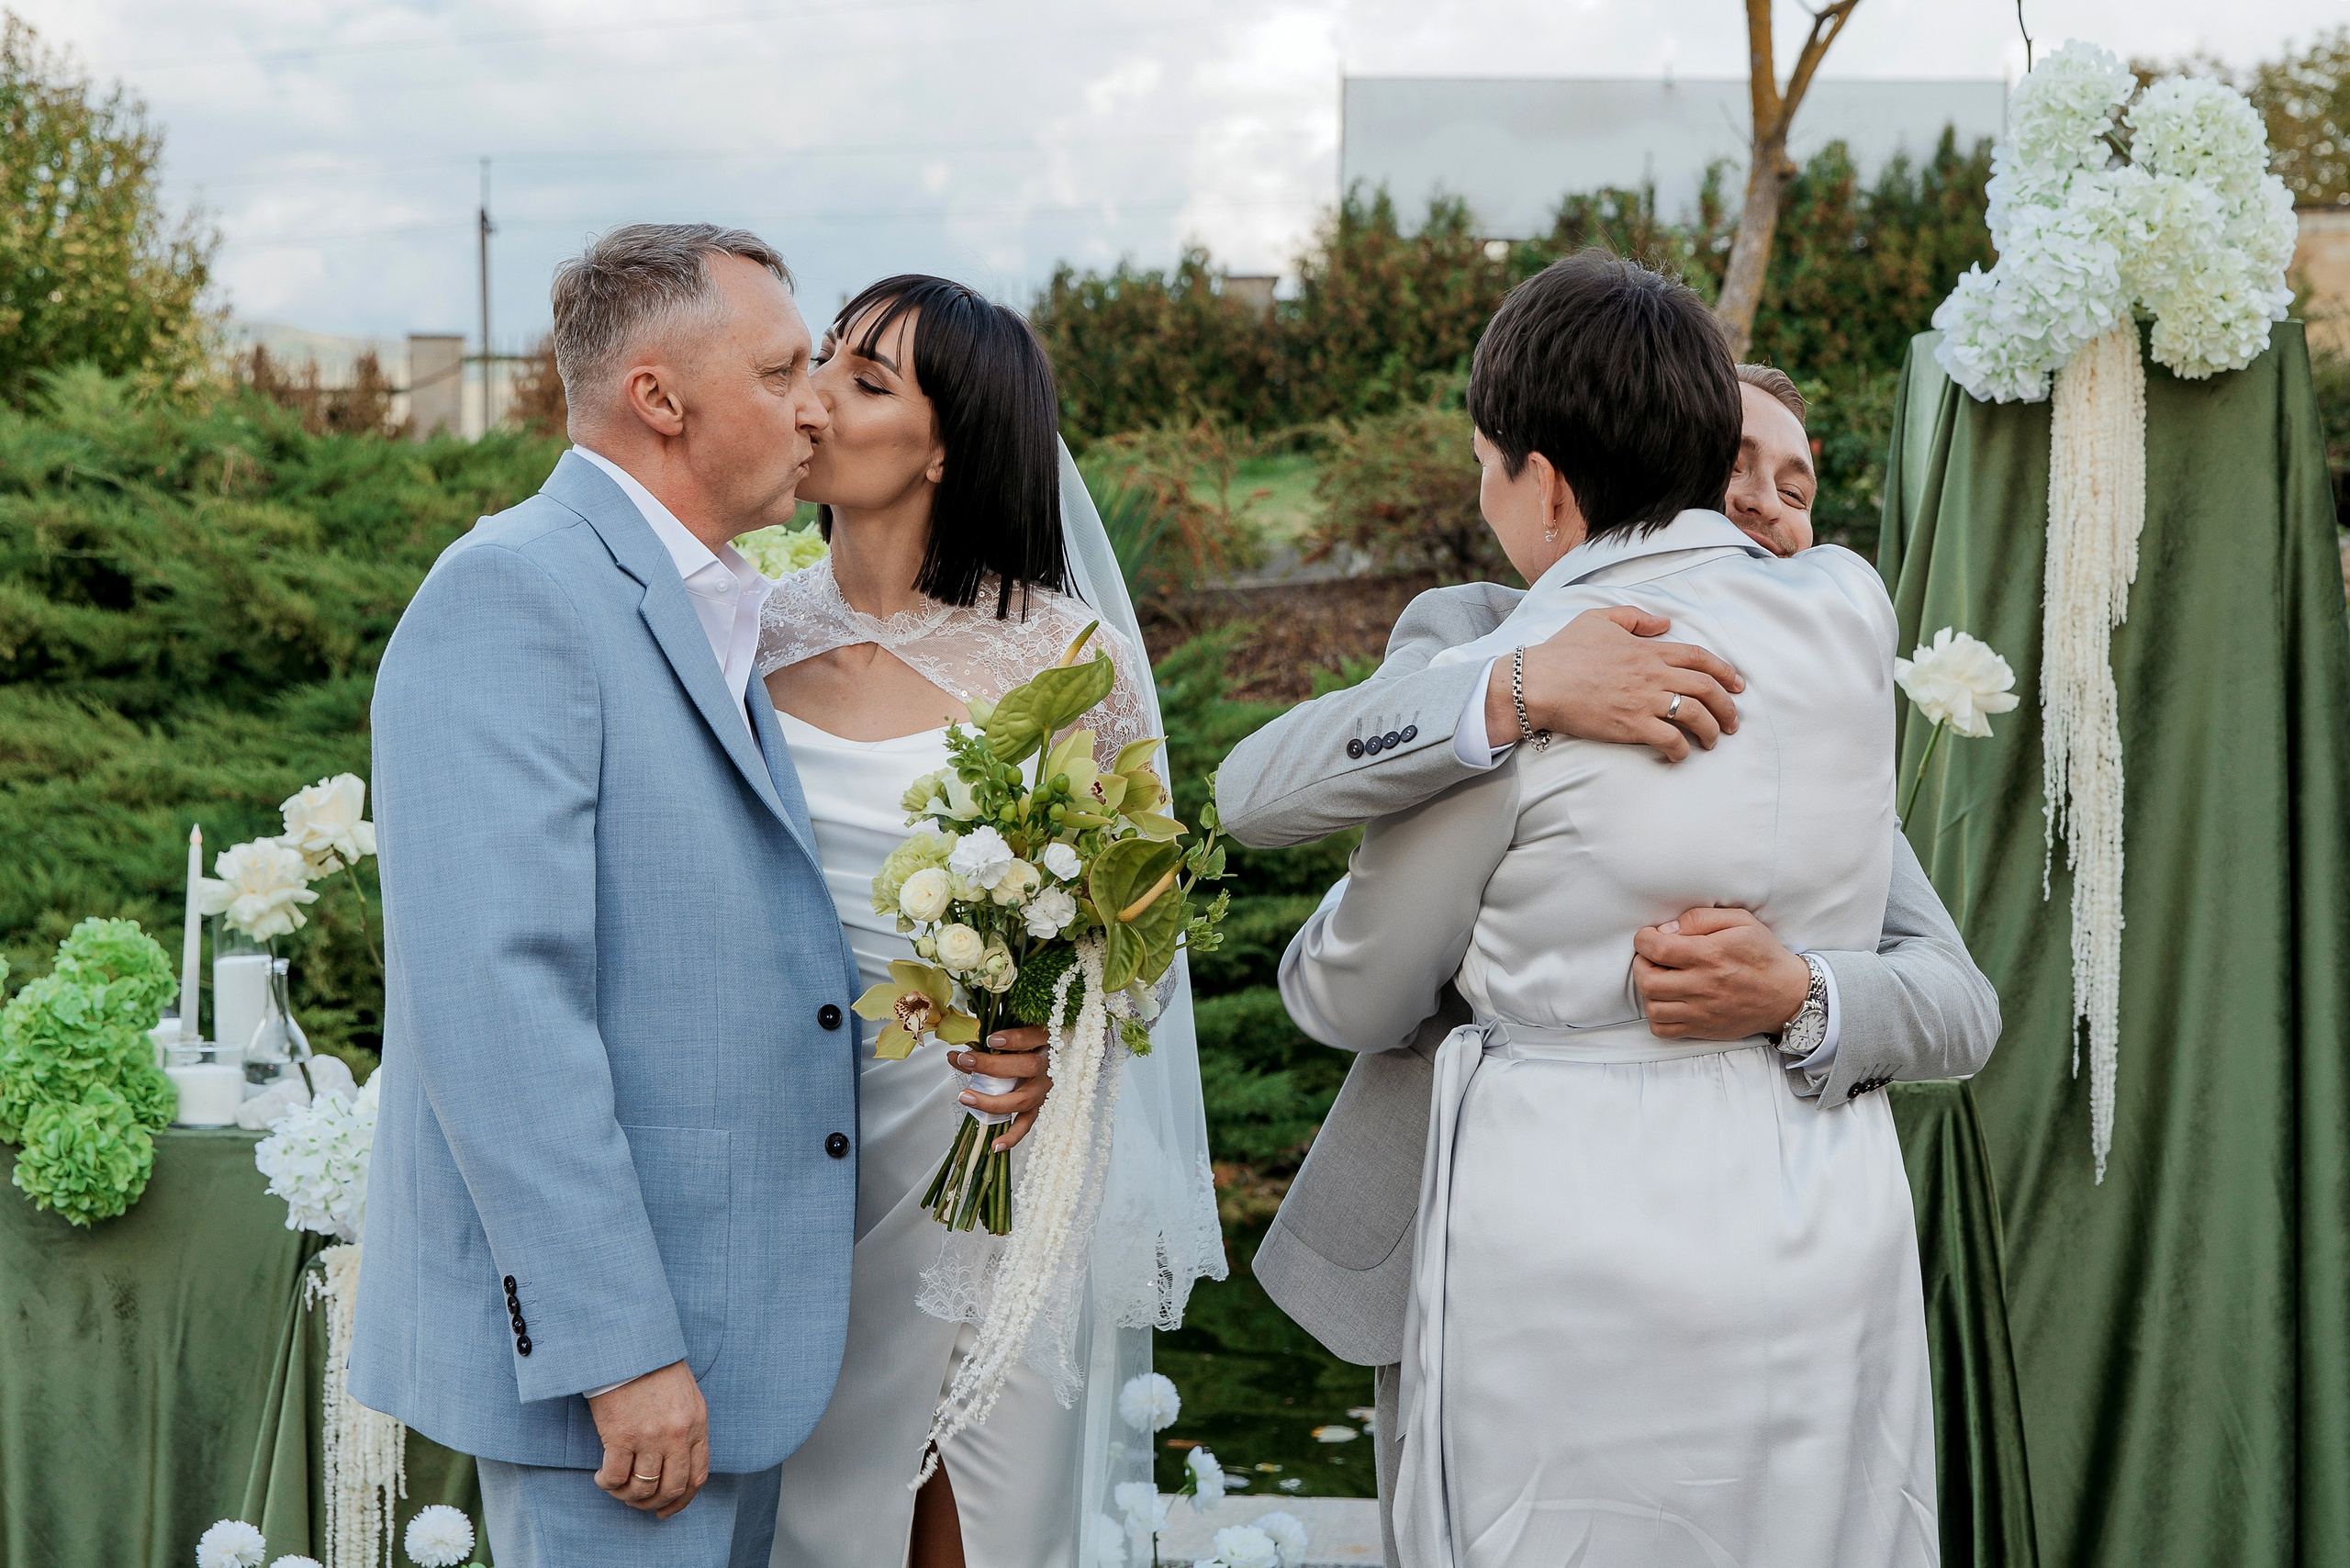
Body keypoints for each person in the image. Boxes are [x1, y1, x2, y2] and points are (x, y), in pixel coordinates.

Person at [1217, 351, 1997, 1562]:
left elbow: (1958, 1003)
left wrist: (1800, 993)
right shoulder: (1481, 629)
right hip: (1475, 1226)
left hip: (1770, 1254)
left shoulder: (1811, 695)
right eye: (1739, 469)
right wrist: (1518, 690)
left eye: (1798, 488)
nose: (1769, 511)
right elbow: (1274, 799)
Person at [358, 223, 879, 1567]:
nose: (814, 403)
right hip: (624, 1385)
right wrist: (619, 1350)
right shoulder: (514, 594)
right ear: (659, 399)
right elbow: (498, 1005)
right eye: (777, 372)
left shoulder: (710, 596)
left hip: (740, 1347)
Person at [754, 275, 1222, 1568]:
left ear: (949, 443)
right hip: (791, 1146)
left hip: (981, 1153)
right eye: (821, 364)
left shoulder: (1066, 661)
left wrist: (1053, 1038)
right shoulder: (740, 631)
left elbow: (1139, 945)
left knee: (976, 1515)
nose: (816, 400)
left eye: (866, 381)